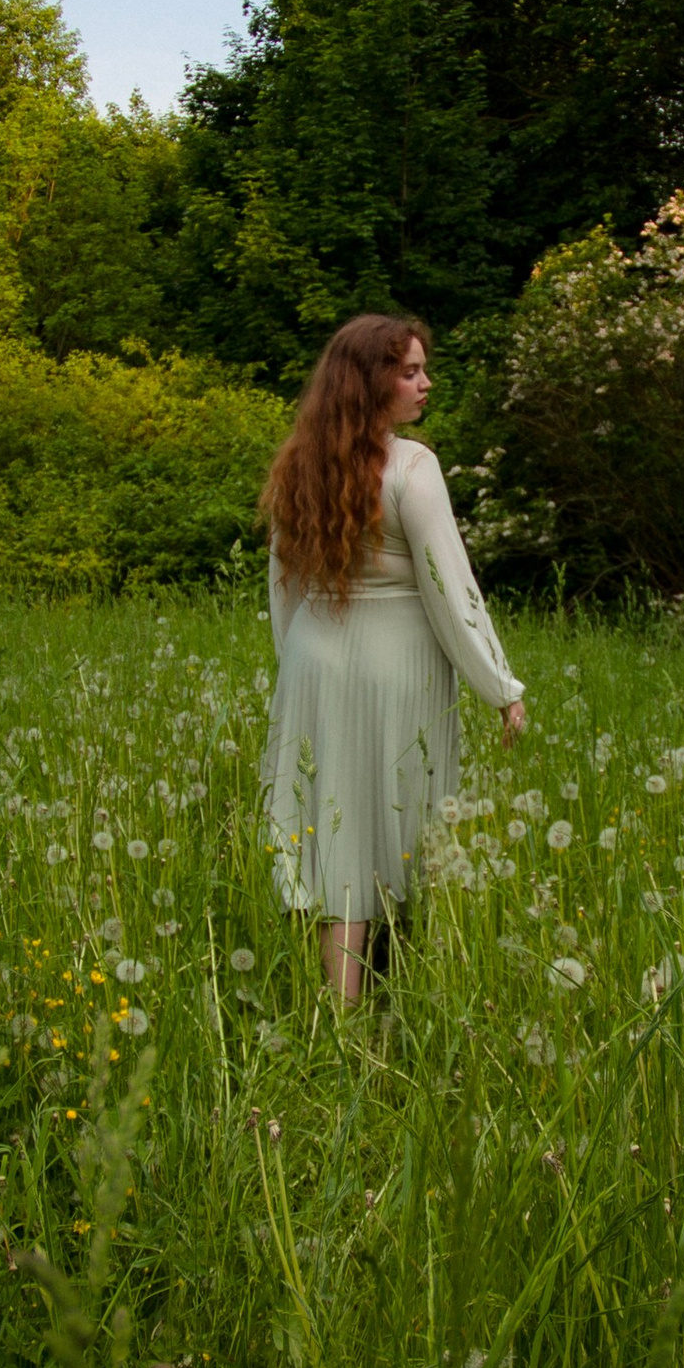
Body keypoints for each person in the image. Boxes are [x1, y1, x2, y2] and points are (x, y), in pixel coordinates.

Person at [258, 312, 525, 1005]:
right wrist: (500, 685)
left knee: (336, 833)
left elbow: (284, 584)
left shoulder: (298, 462)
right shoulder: (412, 466)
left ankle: (341, 1016)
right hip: (396, 668)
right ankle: (403, 999)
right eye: (409, 372)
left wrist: (297, 668)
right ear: (371, 383)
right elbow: (450, 589)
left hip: (313, 661)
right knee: (404, 827)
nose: (425, 383)